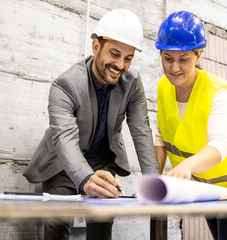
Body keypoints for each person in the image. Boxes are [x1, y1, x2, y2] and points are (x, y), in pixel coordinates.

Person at [23, 9, 159, 240]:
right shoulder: (65, 85)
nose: (120, 65)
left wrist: (153, 181)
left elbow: (141, 132)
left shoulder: (133, 83)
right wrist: (85, 179)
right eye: (114, 54)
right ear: (96, 47)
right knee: (56, 227)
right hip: (62, 165)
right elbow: (64, 140)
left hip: (103, 163)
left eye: (128, 58)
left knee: (101, 227)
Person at [154, 11, 227, 240]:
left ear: (198, 54)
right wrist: (152, 178)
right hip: (208, 185)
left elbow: (219, 146)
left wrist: (186, 167)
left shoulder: (216, 91)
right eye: (167, 58)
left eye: (183, 60)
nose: (174, 68)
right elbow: (160, 135)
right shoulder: (163, 86)